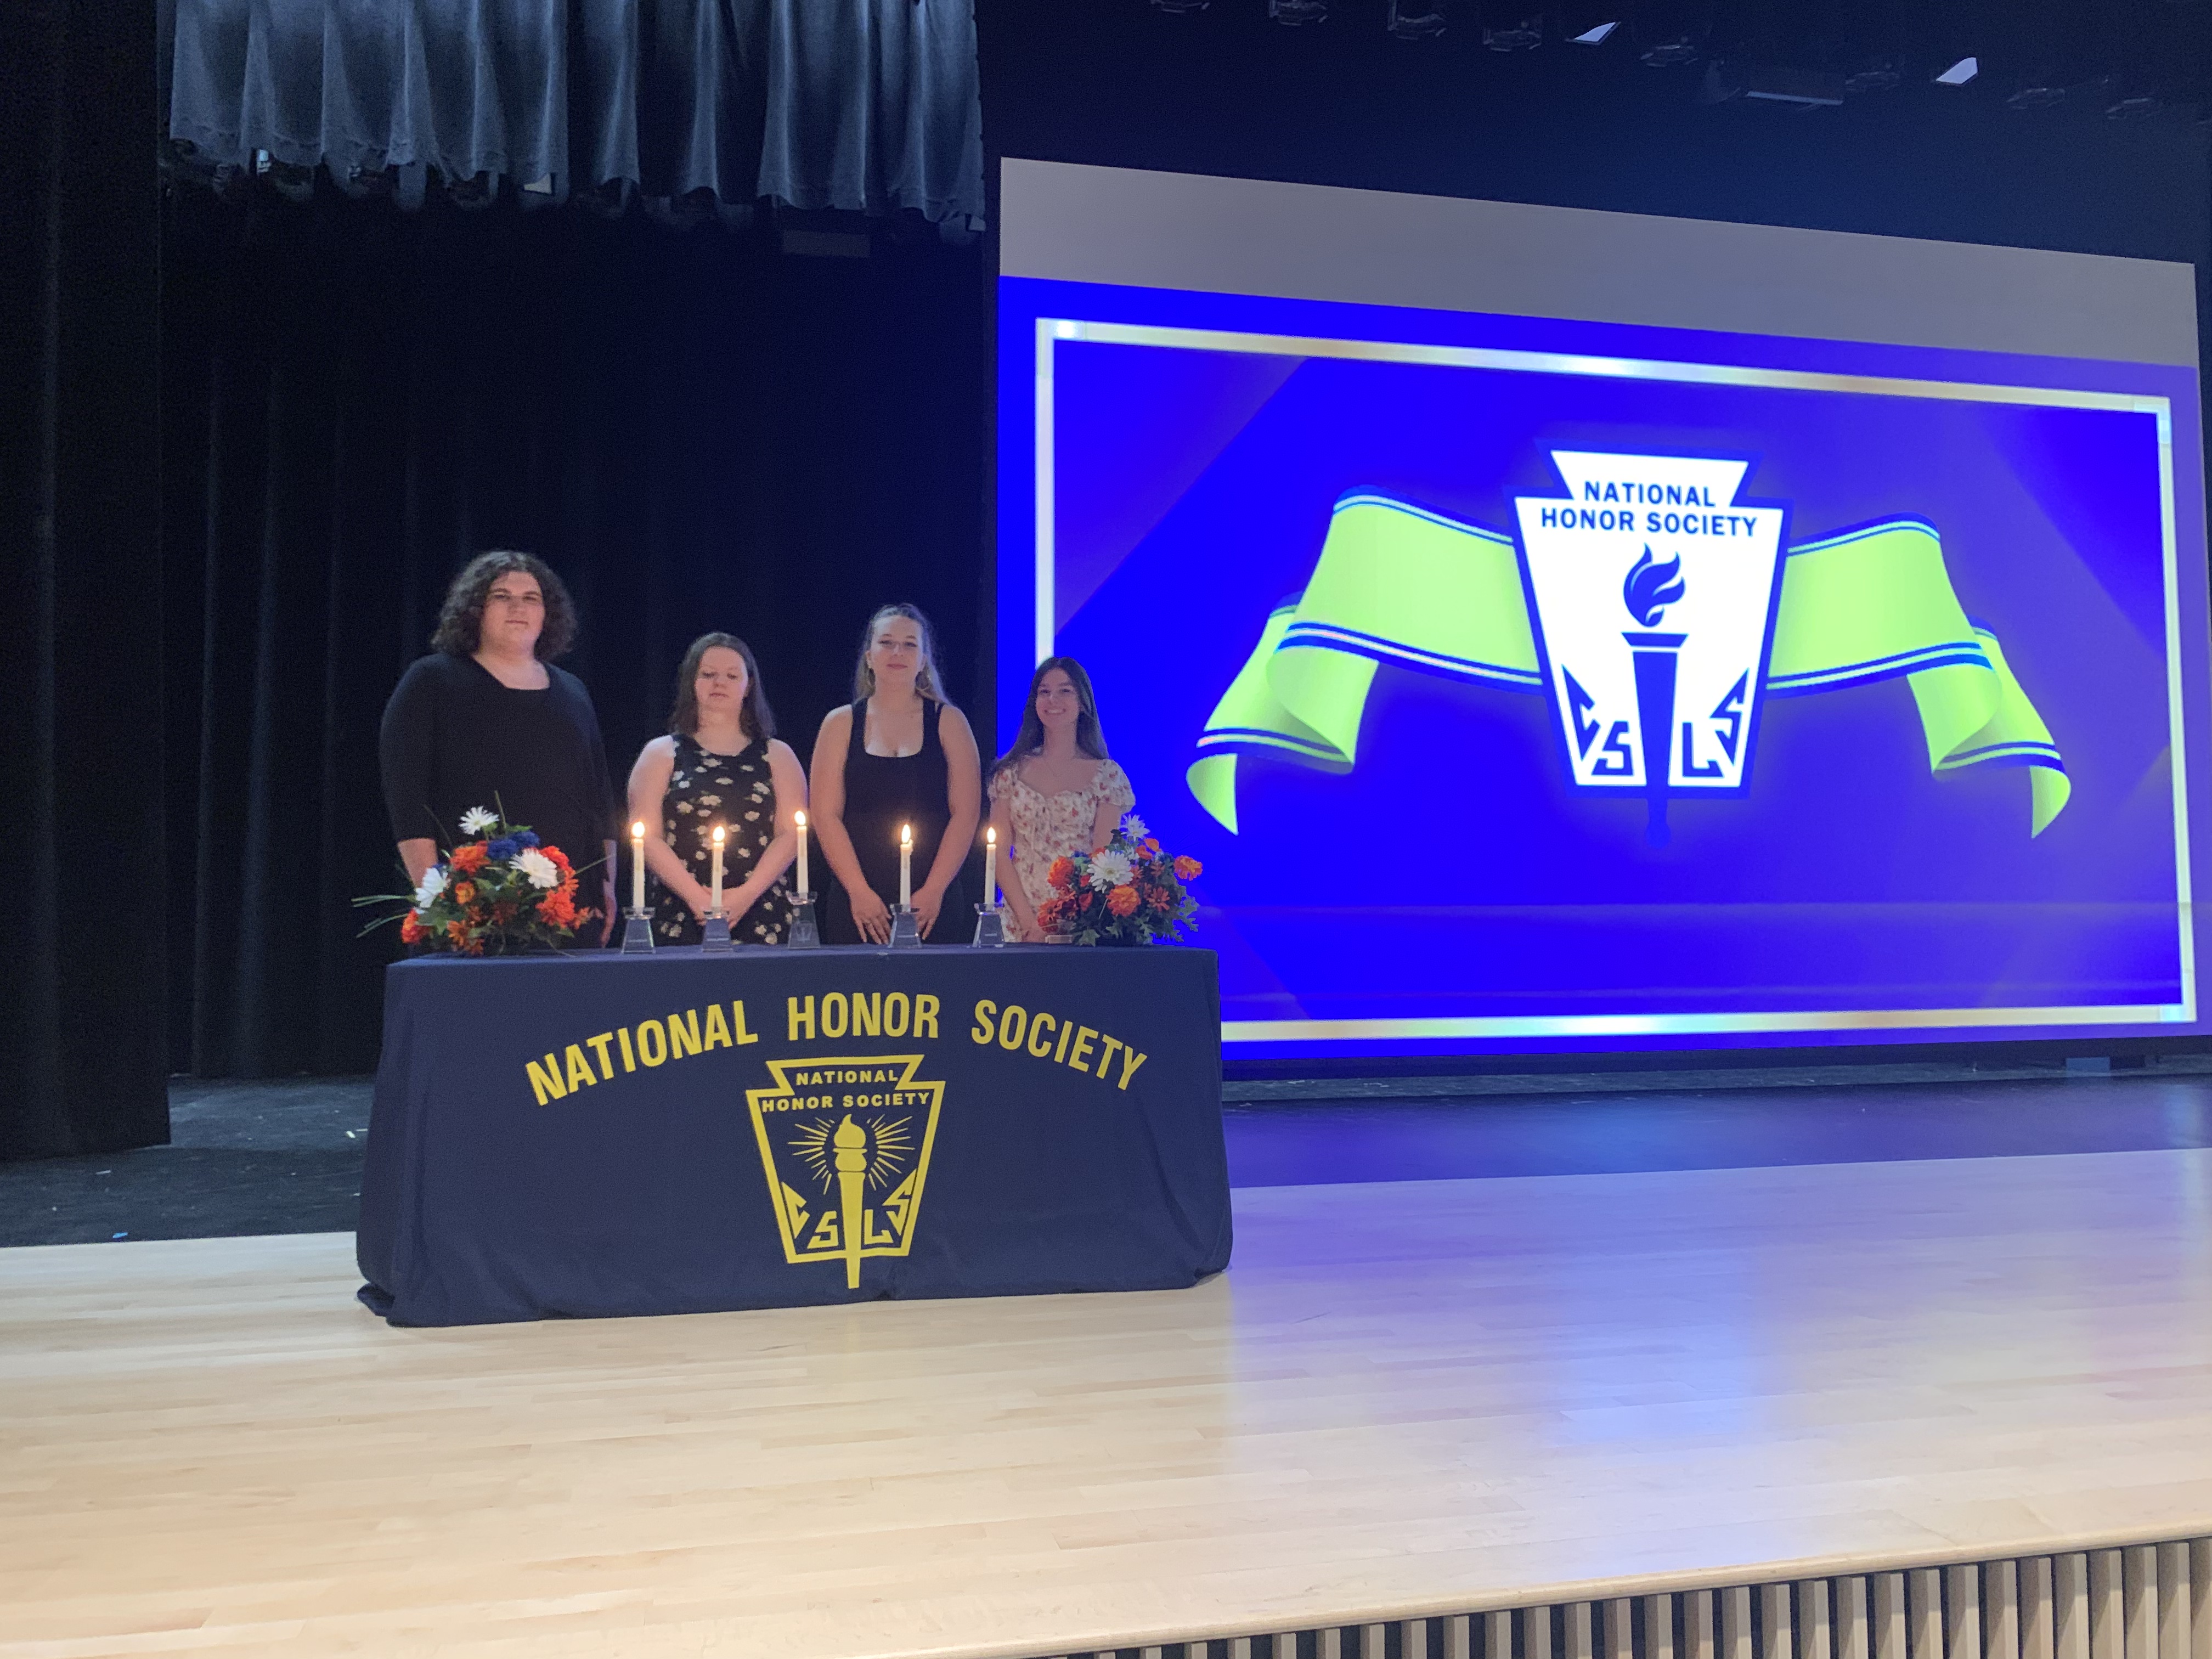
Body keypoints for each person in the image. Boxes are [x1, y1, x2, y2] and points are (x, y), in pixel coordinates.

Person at [380, 550, 619, 943]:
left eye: (531, 598)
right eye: (501, 596)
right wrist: (435, 897)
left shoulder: (573, 692)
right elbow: (408, 801)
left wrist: (605, 883)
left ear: (548, 614)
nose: (517, 608)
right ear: (475, 609)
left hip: (571, 908)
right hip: (472, 907)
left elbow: (600, 800)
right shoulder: (431, 682)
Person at [809, 604, 981, 944]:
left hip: (933, 901)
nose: (897, 652)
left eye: (910, 644)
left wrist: (934, 891)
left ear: (923, 661)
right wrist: (858, 893)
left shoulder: (950, 722)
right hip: (858, 902)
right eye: (887, 643)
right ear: (870, 657)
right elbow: (825, 815)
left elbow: (966, 814)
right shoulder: (839, 723)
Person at [627, 633, 804, 945]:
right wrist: (699, 900)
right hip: (682, 908)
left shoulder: (778, 755)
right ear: (692, 682)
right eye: (708, 675)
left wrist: (745, 895)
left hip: (760, 908)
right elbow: (647, 836)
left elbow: (791, 835)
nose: (719, 682)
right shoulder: (660, 753)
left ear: (748, 686)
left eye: (732, 676)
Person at [986, 657, 1134, 943]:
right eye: (1044, 691)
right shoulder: (1009, 772)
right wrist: (1030, 924)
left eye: (1065, 691)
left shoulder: (1106, 777)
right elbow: (998, 855)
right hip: (1019, 923)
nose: (1053, 699)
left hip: (1080, 926)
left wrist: (1068, 921)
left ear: (1083, 702)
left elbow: (1103, 861)